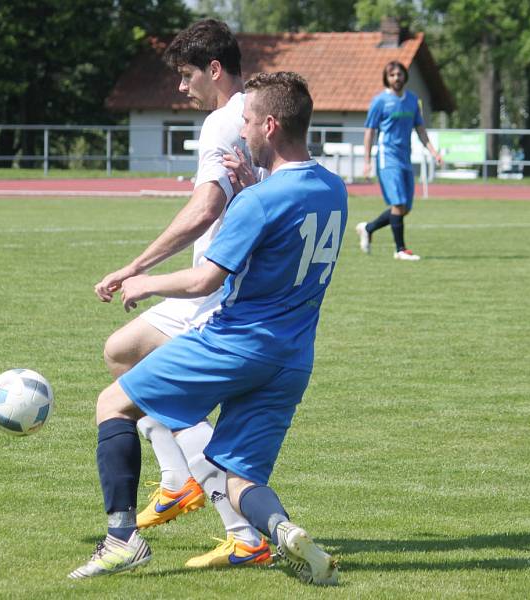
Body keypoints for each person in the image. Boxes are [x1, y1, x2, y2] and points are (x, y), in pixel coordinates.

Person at [70, 72, 345, 586]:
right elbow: (288, 214)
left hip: (234, 344)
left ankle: (121, 541)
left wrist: (144, 281)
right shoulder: (334, 189)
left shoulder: (258, 202)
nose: (241, 131)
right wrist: (252, 189)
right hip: (292, 360)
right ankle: (283, 532)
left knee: (112, 404)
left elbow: (205, 279)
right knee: (241, 478)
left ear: (270, 123)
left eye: (247, 121)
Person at [92, 19, 267, 568]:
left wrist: (137, 267)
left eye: (187, 75)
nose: (181, 86)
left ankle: (242, 529)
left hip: (215, 290)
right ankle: (176, 479)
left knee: (161, 397)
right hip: (218, 286)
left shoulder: (221, 122)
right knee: (121, 353)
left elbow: (205, 209)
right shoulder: (257, 114)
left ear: (214, 70)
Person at [355, 60, 443, 261]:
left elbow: (420, 129)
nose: (396, 78)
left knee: (404, 209)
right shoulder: (379, 101)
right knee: (398, 203)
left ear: (405, 76)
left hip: (405, 157)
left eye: (399, 74)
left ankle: (368, 228)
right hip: (387, 157)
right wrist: (367, 161)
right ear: (387, 78)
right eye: (392, 75)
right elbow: (370, 131)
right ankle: (400, 250)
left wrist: (433, 151)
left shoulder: (412, 100)